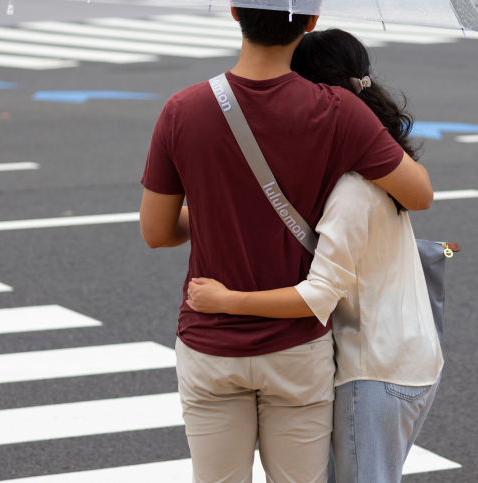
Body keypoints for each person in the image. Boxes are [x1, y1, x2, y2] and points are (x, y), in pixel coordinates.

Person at [140, 0, 433, 483]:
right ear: (313, 19)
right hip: (296, 347)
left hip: (211, 342)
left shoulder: (182, 110)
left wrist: (216, 210)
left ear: (234, 9)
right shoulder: (337, 109)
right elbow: (418, 194)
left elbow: (157, 232)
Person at [186, 28, 445, 483]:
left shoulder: (351, 189)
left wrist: (227, 301)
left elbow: (318, 295)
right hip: (402, 358)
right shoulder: (378, 166)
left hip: (374, 369)